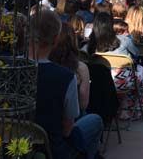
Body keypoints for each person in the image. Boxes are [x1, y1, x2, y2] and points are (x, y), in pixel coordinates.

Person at [31, 10, 104, 159]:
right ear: (56, 39)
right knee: (95, 121)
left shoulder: (6, 68)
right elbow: (67, 130)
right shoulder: (65, 77)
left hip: (13, 141)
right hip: (53, 148)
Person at [50, 22, 91, 113]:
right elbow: (83, 105)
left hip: (47, 116)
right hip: (72, 117)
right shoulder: (80, 68)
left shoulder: (42, 64)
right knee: (96, 119)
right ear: (73, 40)